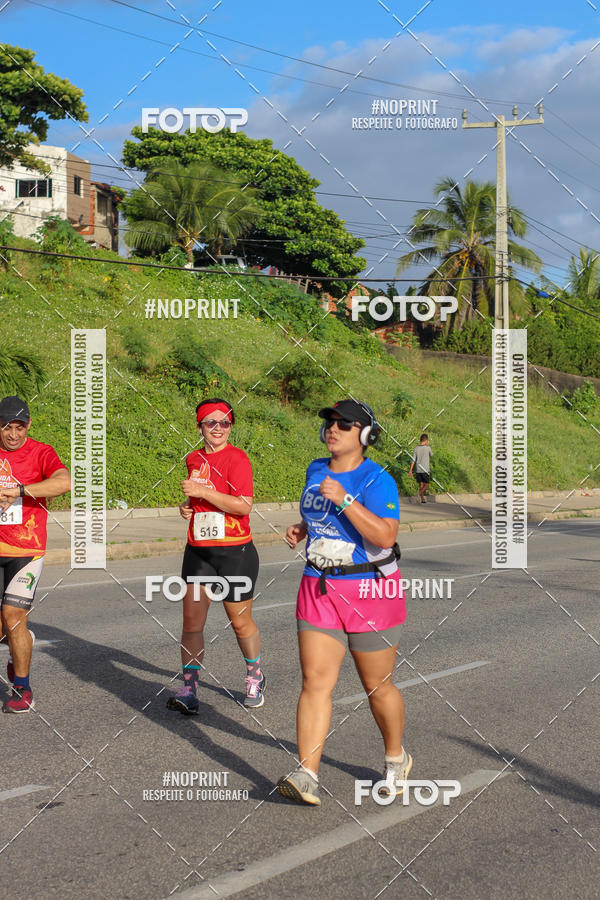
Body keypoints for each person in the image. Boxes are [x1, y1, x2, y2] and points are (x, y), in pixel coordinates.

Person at [276, 400, 411, 806]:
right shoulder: (315, 470)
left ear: (365, 434)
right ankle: (307, 774)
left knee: (377, 686)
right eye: (329, 423)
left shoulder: (377, 478)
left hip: (369, 590)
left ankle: (395, 759)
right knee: (315, 682)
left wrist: (347, 501)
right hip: (318, 585)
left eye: (344, 424)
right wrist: (305, 527)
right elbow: (322, 516)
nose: (333, 429)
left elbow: (385, 537)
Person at [166, 398, 264, 715]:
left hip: (235, 553)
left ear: (230, 426)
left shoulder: (238, 459)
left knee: (239, 622)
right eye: (211, 422)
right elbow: (198, 500)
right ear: (200, 427)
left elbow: (243, 505)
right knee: (192, 624)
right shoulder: (193, 458)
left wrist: (204, 493)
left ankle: (254, 676)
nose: (218, 428)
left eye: (224, 422)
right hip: (199, 552)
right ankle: (190, 689)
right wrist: (187, 507)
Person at [0, 396, 71, 713]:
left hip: (26, 551)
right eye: (6, 427)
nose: (13, 434)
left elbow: (64, 482)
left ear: (28, 425)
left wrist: (18, 490)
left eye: (19, 427)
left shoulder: (41, 452)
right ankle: (20, 644)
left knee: (13, 616)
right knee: (8, 626)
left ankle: (22, 688)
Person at [408, 433, 433, 504]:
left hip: (418, 469)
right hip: (425, 469)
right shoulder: (428, 448)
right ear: (426, 440)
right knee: (427, 484)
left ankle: (422, 499)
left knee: (421, 484)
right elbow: (431, 455)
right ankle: (419, 494)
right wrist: (428, 445)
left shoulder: (416, 448)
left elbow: (413, 460)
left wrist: (410, 471)